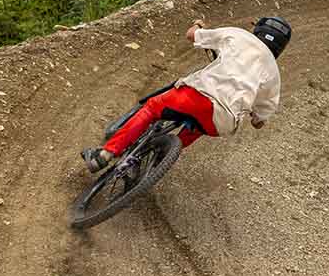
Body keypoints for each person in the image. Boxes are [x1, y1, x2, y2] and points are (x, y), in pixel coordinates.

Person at [81, 15, 289, 173]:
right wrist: (254, 115)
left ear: (258, 30)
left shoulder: (238, 35)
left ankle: (104, 155)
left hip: (197, 96)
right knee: (199, 126)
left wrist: (198, 25)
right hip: (222, 121)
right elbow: (259, 121)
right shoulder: (274, 74)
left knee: (152, 108)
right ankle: (155, 164)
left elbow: (191, 35)